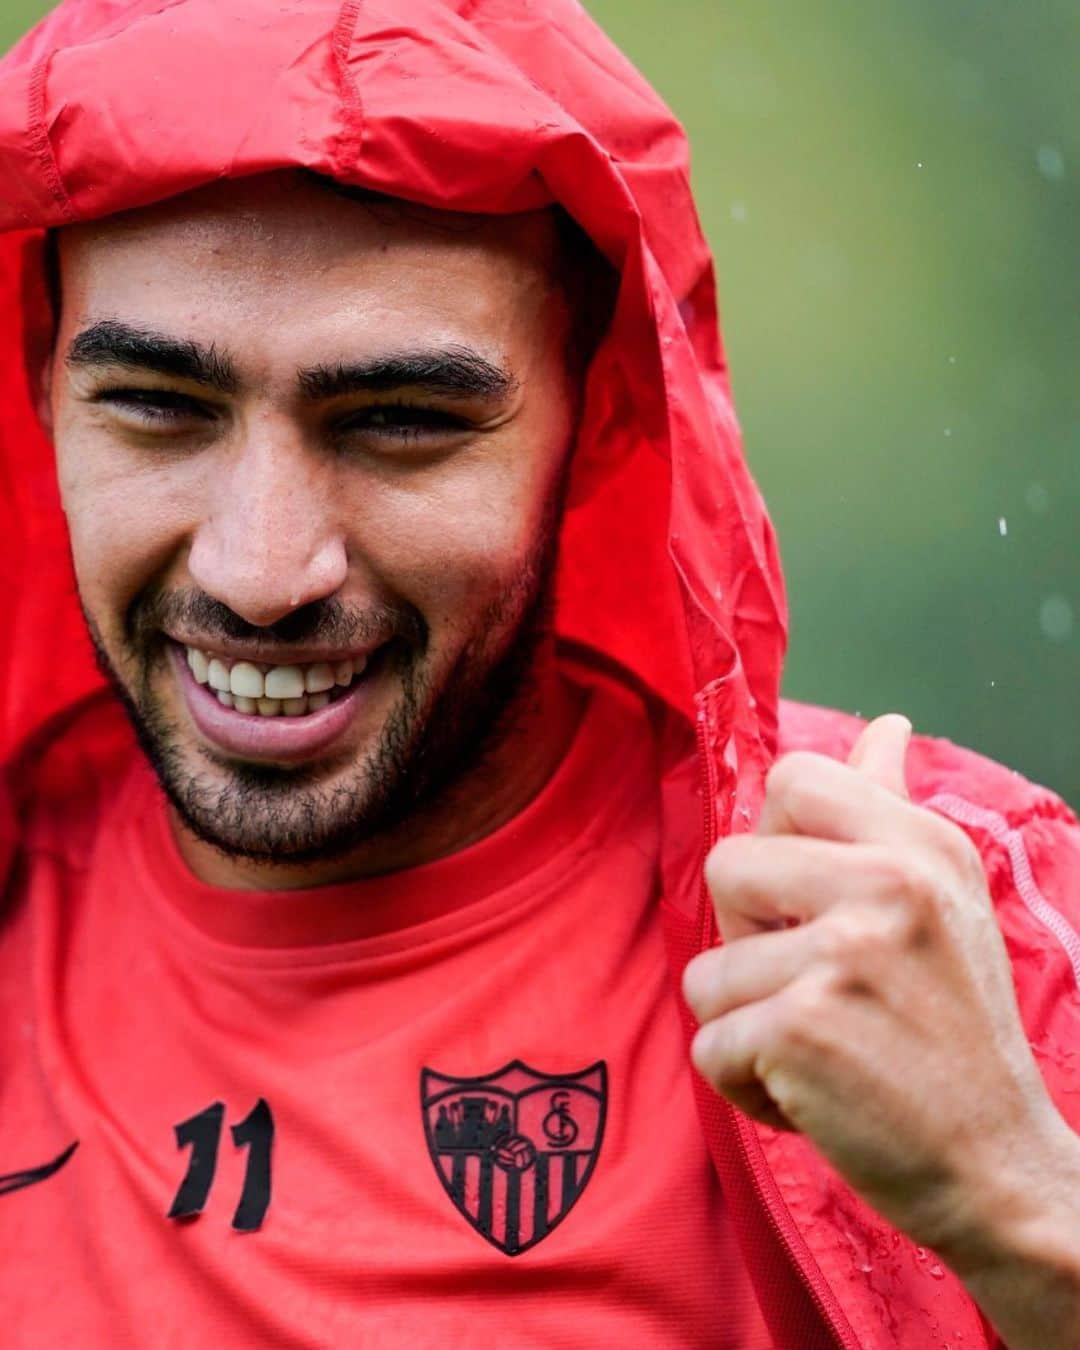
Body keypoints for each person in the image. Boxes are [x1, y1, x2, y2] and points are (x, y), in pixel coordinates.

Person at [0, 1, 1076, 1345]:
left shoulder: (951, 932)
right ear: (40, 382)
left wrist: (1025, 1203)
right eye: (159, 407)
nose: (260, 568)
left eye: (399, 422)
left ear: (602, 409)